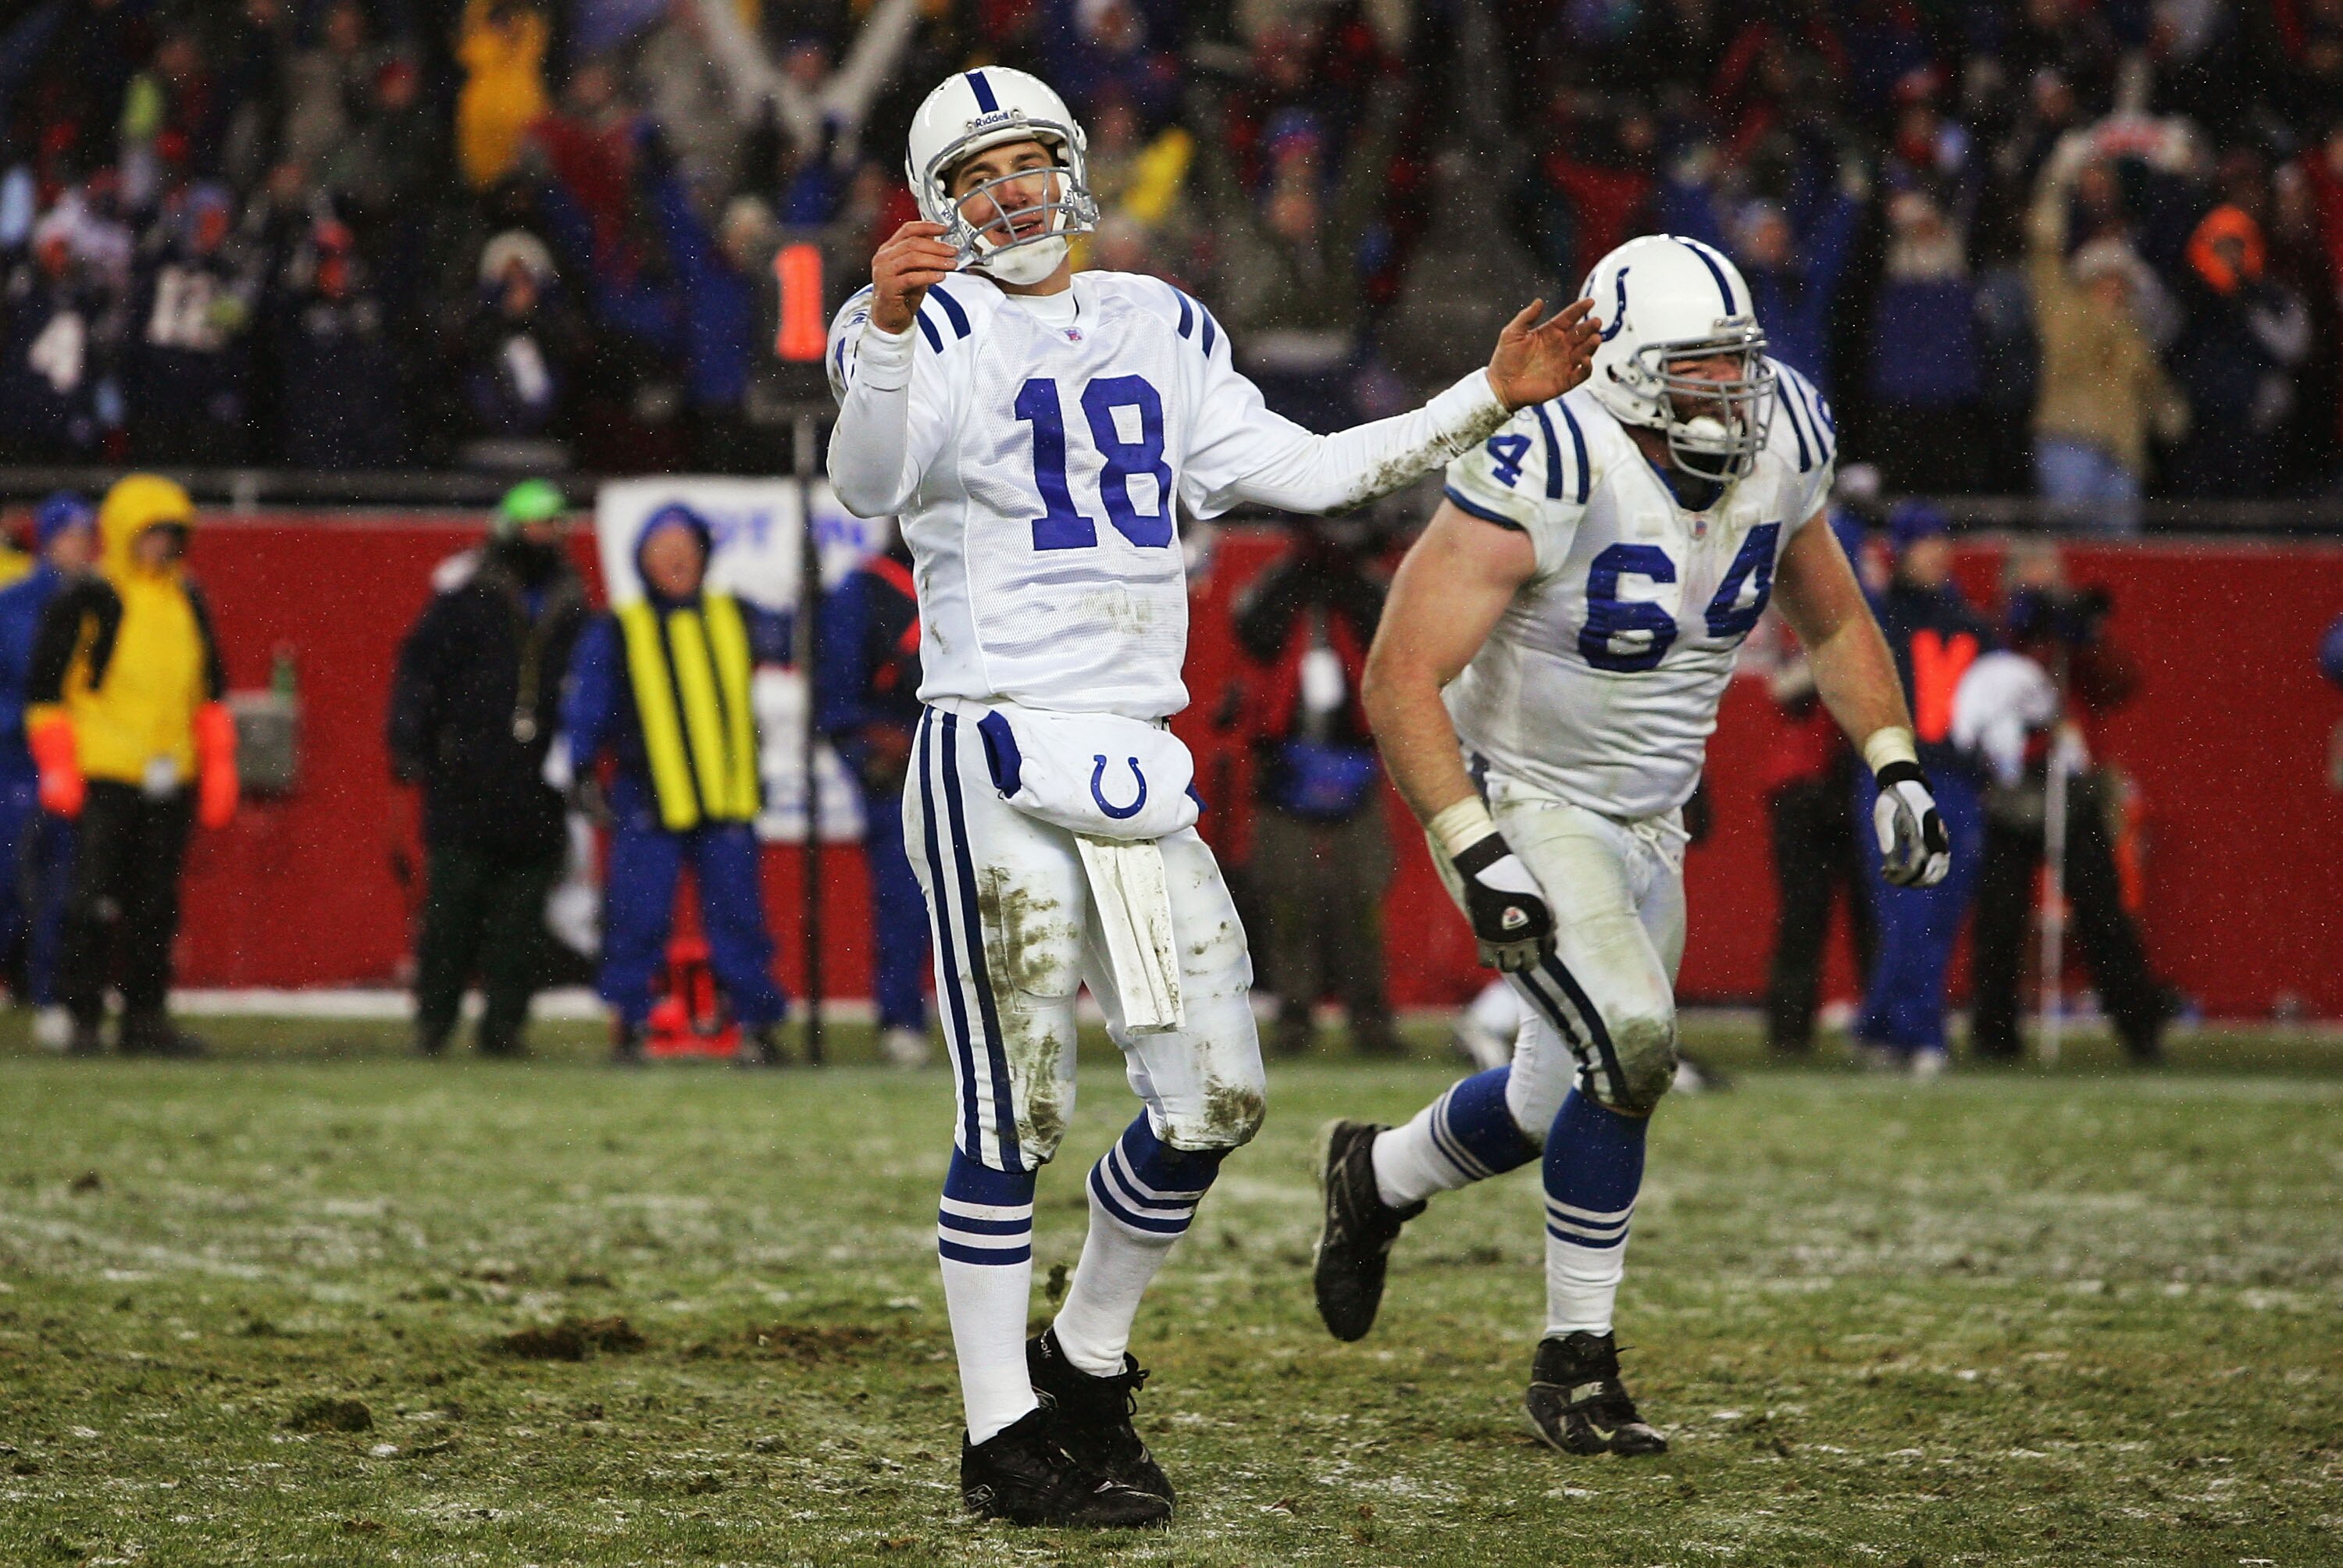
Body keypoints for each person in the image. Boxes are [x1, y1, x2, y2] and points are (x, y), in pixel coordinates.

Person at [825, 66, 1596, 1528]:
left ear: (1071, 167)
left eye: (1027, 162)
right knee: (1020, 1108)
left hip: (1129, 760)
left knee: (1214, 1098)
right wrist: (876, 327)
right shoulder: (912, 326)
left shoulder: (1159, 321)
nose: (1009, 194)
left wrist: (1483, 397)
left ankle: (1087, 1357)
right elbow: (868, 486)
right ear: (937, 202)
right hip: (993, 750)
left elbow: (1306, 470)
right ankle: (1000, 1438)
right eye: (976, 174)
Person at [1311, 235, 1948, 1460]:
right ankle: (1577, 1363)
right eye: (1698, 370)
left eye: (1739, 366)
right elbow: (1402, 673)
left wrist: (1893, 762)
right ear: (1626, 372)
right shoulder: (1552, 451)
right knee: (1635, 1041)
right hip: (1525, 798)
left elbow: (1833, 614)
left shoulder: (1787, 434)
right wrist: (1474, 845)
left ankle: (1376, 1179)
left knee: (1563, 1095)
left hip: (1653, 812)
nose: (1731, 396)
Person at [555, 503, 793, 1067]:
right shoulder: (619, 627)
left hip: (727, 801)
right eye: (662, 550)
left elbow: (802, 642)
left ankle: (757, 1025)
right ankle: (630, 1023)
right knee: (637, 918)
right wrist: (584, 766)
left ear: (705, 556)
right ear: (642, 562)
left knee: (740, 921)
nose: (675, 560)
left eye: (685, 548)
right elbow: (588, 704)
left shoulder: (737, 615)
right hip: (648, 800)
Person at [25, 476, 240, 1057]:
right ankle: (82, 1014)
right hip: (108, 767)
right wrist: (59, 765)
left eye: (171, 534)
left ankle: (146, 1018)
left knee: (156, 904)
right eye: (151, 532)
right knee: (92, 899)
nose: (161, 544)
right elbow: (47, 690)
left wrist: (217, 762)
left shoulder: (187, 596)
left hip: (172, 772)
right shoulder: (90, 596)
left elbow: (209, 687)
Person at [387, 479, 587, 1058]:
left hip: (535, 785)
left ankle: (503, 1027)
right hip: (465, 779)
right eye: (535, 525)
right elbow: (419, 674)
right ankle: (435, 1023)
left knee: (520, 923)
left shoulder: (571, 604)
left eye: (553, 525)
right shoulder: (466, 599)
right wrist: (409, 741)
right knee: (451, 914)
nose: (544, 537)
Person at [1956, 551, 2171, 1063]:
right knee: (1999, 919)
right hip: (2008, 782)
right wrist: (2019, 631)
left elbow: (2120, 686)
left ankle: (2137, 1026)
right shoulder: (1992, 632)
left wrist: (2086, 639)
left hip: (2068, 785)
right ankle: (1994, 1033)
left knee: (2103, 912)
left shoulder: (2069, 638)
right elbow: (1977, 685)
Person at [1231, 517, 1400, 1058]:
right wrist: (1305, 567)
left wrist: (1346, 572)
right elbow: (1257, 634)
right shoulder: (1281, 579)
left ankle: (1371, 1022)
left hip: (1356, 763)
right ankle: (1294, 1020)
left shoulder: (1368, 583)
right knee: (1288, 902)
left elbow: (1387, 633)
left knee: (1362, 902)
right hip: (1283, 766)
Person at [1853, 501, 1993, 1074]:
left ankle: (1881, 1026)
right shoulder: (1879, 617)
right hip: (1896, 773)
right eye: (1926, 542)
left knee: (1941, 912)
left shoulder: (1972, 624)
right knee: (1910, 909)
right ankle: (1921, 1032)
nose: (1939, 553)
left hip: (1957, 780)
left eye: (1943, 542)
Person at [815, 532, 933, 1067]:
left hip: (979, 751)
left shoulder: (986, 575)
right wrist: (868, 750)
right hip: (900, 764)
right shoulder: (865, 590)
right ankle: (902, 1020)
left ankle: (999, 1024)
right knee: (905, 902)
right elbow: (836, 699)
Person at [0, 494, 95, 1029]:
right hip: (15, 755)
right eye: (69, 535)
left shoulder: (98, 601)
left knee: (64, 882)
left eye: (86, 537)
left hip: (74, 757)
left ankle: (46, 990)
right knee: (9, 876)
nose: (79, 548)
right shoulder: (13, 604)